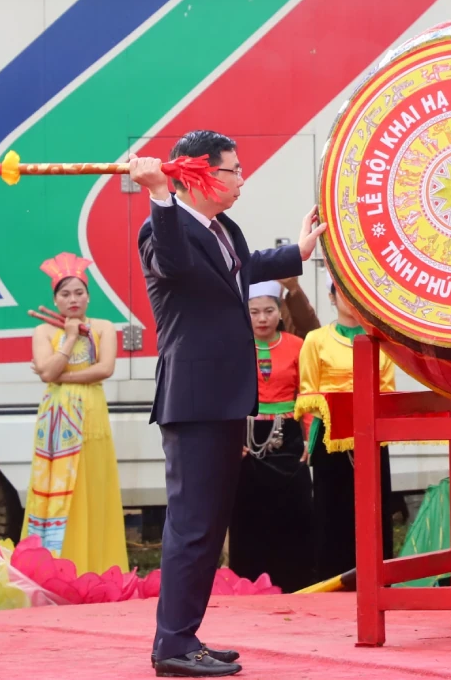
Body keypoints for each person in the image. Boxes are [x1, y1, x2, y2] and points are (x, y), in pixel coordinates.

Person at [130, 130, 325, 679]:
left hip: (225, 398)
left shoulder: (224, 229)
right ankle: (172, 643)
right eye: (233, 170)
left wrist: (298, 251)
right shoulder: (161, 228)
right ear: (202, 174)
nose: (242, 179)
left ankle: (184, 637)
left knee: (211, 526)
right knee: (191, 525)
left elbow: (244, 265)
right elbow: (174, 266)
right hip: (193, 398)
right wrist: (159, 194)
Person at [21, 253, 128, 577]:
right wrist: (69, 338)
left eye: (79, 292)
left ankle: (94, 568)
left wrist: (60, 376)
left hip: (91, 413)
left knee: (92, 484)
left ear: (88, 296)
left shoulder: (103, 327)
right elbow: (47, 372)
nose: (73, 299)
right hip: (57, 417)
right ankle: (52, 566)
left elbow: (104, 369)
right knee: (53, 486)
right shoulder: (43, 331)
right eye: (65, 294)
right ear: (55, 299)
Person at [296, 274, 396, 581]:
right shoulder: (316, 340)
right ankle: (331, 577)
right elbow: (308, 393)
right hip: (331, 435)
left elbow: (387, 390)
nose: (349, 301)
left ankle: (378, 577)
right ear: (331, 297)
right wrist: (310, 438)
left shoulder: (379, 339)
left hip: (372, 433)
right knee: (331, 507)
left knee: (375, 506)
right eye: (342, 293)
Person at [226, 281, 315, 594]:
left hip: (288, 436)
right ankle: (248, 583)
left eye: (268, 311)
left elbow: (307, 394)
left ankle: (296, 582)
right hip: (247, 437)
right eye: (254, 312)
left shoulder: (298, 345)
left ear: (280, 312)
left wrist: (309, 438)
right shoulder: (235, 345)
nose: (262, 318)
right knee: (247, 511)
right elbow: (226, 396)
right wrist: (230, 439)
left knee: (294, 509)